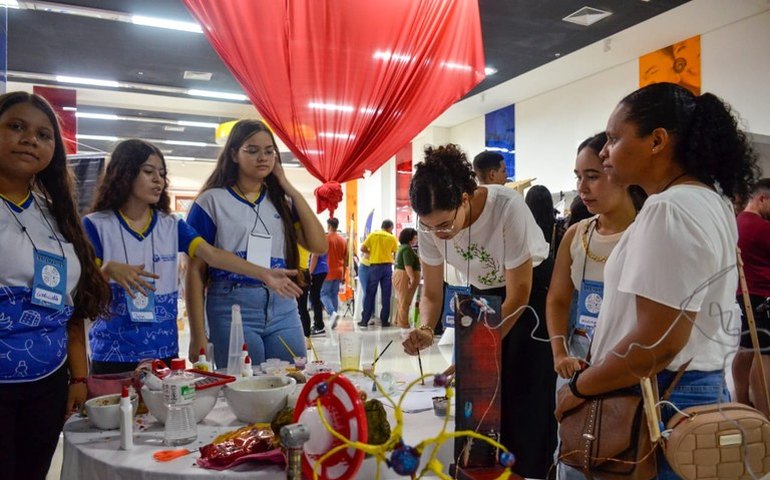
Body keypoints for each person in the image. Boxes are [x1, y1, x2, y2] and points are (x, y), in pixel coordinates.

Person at [556, 82, 760, 478]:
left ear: (657, 141)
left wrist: (580, 387)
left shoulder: (671, 208)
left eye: (614, 138)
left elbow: (655, 345)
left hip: (661, 397)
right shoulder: (708, 200)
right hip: (691, 389)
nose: (604, 150)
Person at [83, 139, 302, 374]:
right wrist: (105, 270)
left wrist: (264, 274)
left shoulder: (171, 225)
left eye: (162, 173)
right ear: (123, 174)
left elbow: (213, 255)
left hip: (163, 350)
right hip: (113, 351)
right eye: (148, 172)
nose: (159, 180)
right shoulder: (95, 225)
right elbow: (79, 285)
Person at [402, 144, 555, 479]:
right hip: (483, 294)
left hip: (530, 299)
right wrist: (426, 329)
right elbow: (430, 291)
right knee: (483, 403)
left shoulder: (505, 206)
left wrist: (478, 348)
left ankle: (531, 473)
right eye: (428, 227)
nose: (438, 234)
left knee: (525, 400)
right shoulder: (430, 224)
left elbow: (519, 293)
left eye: (444, 224)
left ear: (465, 199)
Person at [0, 91, 111, 479]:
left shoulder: (55, 216)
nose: (31, 139)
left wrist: (79, 377)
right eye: (16, 127)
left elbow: (70, 306)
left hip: (48, 380)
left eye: (44, 135)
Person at [186, 119, 327, 368]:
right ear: (234, 154)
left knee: (292, 381)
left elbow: (319, 244)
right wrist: (197, 333)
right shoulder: (211, 201)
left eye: (269, 151)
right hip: (232, 306)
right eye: (252, 150)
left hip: (283, 304)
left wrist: (289, 188)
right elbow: (195, 270)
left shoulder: (281, 200)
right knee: (245, 391)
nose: (262, 157)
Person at [545, 133, 641, 479]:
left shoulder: (645, 232)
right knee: (572, 453)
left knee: (620, 455)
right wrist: (559, 352)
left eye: (593, 176)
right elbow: (557, 298)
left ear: (621, 173)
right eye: (578, 176)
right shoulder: (577, 234)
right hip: (576, 367)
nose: (582, 188)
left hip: (628, 372)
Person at [732, 178, 770, 415]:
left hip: (745, 294)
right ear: (762, 199)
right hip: (763, 298)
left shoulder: (737, 223)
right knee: (765, 355)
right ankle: (765, 413)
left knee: (747, 348)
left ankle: (742, 400)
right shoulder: (761, 227)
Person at [359, 219, 398, 328]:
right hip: (387, 268)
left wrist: (371, 253)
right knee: (386, 295)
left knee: (370, 293)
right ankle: (384, 321)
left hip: (374, 267)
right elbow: (395, 251)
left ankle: (364, 320)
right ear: (390, 227)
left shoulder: (373, 235)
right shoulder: (392, 238)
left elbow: (362, 248)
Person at [321, 217, 348, 329]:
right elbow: (345, 259)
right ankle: (334, 320)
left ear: (329, 226)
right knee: (333, 295)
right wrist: (344, 273)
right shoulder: (343, 240)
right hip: (339, 271)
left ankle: (332, 313)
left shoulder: (326, 238)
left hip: (327, 270)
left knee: (323, 294)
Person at [393, 227, 420, 330]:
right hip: (404, 275)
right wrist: (412, 278)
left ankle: (399, 321)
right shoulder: (407, 249)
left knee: (402, 300)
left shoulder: (402, 247)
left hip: (401, 274)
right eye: (415, 237)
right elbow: (407, 265)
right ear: (410, 238)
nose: (416, 239)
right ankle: (403, 324)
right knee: (405, 301)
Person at [308, 252, 328, 335]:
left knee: (314, 298)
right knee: (315, 298)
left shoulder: (315, 240)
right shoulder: (322, 241)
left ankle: (319, 325)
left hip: (317, 270)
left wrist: (310, 273)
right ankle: (318, 324)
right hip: (322, 269)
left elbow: (315, 255)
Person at [297, 245, 312, 338]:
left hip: (298, 271)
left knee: (299, 308)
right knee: (302, 308)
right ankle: (306, 336)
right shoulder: (306, 241)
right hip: (305, 271)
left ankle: (303, 335)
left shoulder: (295, 240)